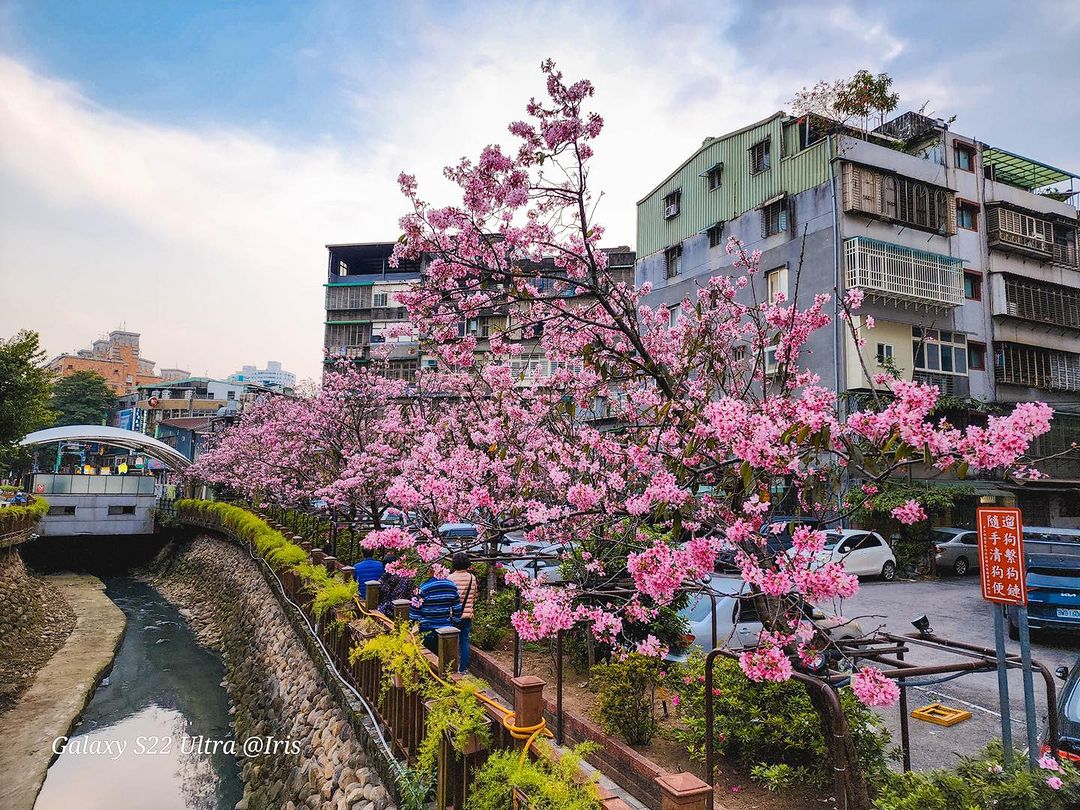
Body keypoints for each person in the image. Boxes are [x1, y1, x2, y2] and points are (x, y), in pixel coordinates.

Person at [409, 570, 463, 657]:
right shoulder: (451, 586)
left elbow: (414, 611)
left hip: (427, 628)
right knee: (445, 659)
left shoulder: (424, 587)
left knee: (428, 658)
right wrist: (455, 624)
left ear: (430, 571)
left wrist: (413, 623)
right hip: (445, 628)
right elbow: (457, 609)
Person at [448, 552, 477, 672]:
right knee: (464, 640)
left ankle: (452, 666)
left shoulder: (450, 578)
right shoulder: (472, 578)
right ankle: (463, 669)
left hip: (452, 615)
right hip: (467, 615)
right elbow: (474, 596)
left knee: (451, 641)